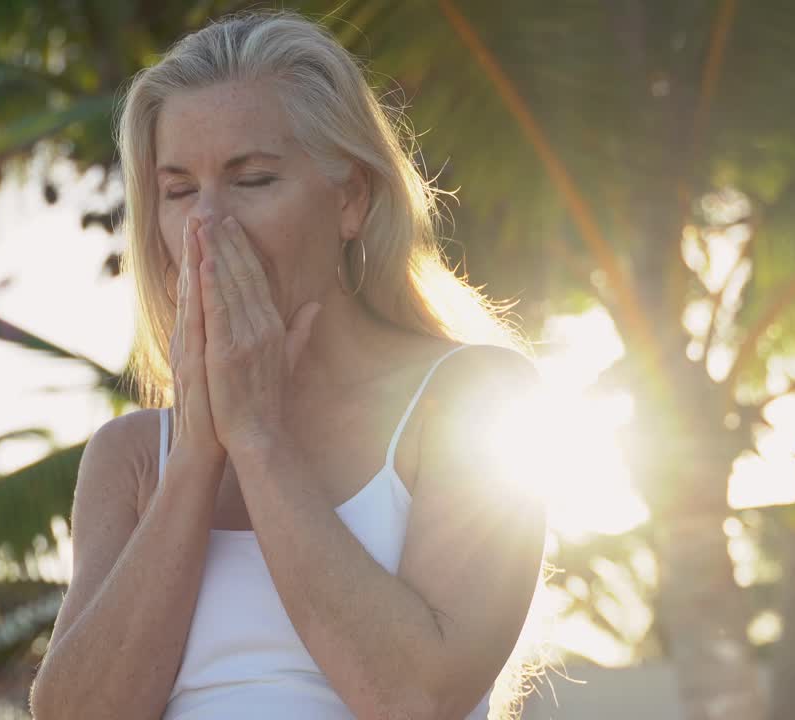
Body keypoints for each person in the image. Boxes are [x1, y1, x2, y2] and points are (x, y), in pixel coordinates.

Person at [30, 10, 548, 719]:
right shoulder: (132, 458)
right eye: (179, 191)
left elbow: (418, 699)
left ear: (350, 199)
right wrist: (197, 455)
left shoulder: (476, 400)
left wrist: (258, 439)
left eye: (254, 181)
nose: (209, 226)